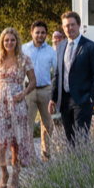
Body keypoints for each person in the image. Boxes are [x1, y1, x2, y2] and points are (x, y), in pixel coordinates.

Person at [0, 27, 37, 188]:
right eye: (6, 40)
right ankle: (4, 172)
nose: (9, 43)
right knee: (0, 139)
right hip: (0, 103)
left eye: (12, 40)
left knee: (16, 140)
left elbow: (33, 82)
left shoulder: (24, 59)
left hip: (17, 102)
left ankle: (15, 175)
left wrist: (23, 93)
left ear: (17, 41)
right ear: (2, 42)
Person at [50, 11, 94, 145]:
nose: (69, 28)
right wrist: (53, 98)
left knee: (81, 139)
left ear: (79, 25)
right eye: (66, 26)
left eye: (72, 25)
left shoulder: (91, 47)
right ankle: (72, 159)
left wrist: (91, 98)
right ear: (63, 28)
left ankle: (83, 159)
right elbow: (58, 74)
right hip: (64, 101)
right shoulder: (60, 46)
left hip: (83, 100)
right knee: (69, 139)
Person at [21, 20, 56, 160]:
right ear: (32, 33)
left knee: (48, 124)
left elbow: (56, 71)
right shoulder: (24, 49)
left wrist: (54, 91)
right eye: (37, 32)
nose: (40, 35)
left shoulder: (51, 51)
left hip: (45, 90)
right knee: (27, 124)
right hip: (28, 90)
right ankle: (29, 156)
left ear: (46, 34)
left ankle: (46, 155)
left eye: (43, 33)